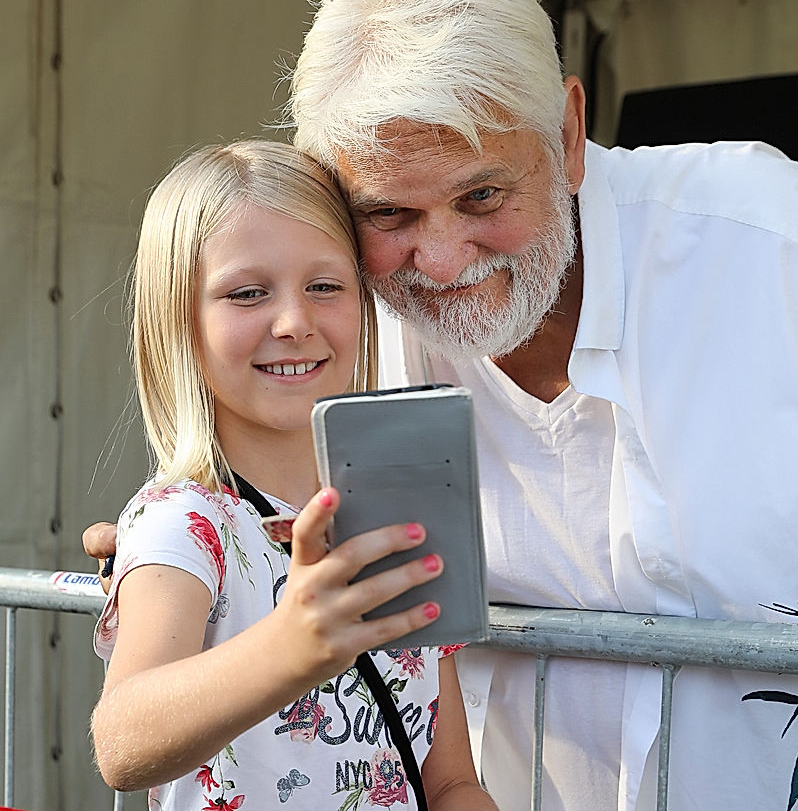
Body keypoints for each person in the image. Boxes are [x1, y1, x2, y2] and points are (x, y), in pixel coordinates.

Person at [86, 0, 798, 811]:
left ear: (568, 133)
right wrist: (185, 552)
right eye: (389, 214)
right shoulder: (349, 307)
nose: (442, 263)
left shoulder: (792, 253)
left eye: (481, 194)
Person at [88, 139, 497, 811]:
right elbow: (123, 744)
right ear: (178, 321)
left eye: (325, 287)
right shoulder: (184, 523)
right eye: (247, 293)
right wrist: (291, 644)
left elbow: (450, 780)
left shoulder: (396, 510)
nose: (294, 323)